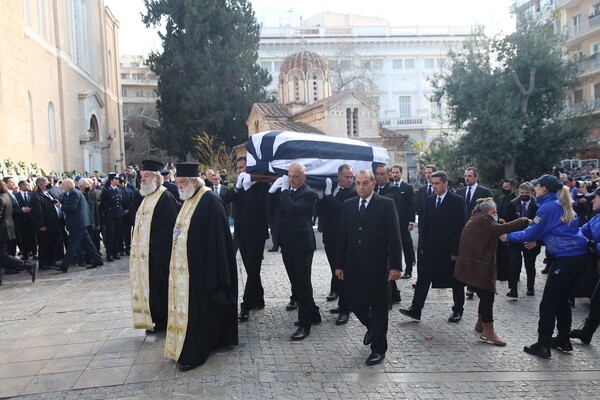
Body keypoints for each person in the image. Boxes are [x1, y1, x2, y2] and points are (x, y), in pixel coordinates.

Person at [500, 174, 589, 358]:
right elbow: (557, 230)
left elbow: (531, 232)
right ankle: (563, 339)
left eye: (537, 186)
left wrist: (507, 236)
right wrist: (539, 238)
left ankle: (543, 344)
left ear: (544, 189)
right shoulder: (560, 203)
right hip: (578, 257)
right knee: (562, 299)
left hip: (565, 259)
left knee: (548, 302)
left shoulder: (548, 207)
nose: (535, 189)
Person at [165, 162, 237, 371]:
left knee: (200, 312)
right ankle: (183, 345)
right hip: (186, 271)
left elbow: (218, 243)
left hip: (203, 271)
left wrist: (212, 272)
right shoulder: (190, 198)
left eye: (182, 182)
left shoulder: (210, 201)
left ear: (194, 181)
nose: (178, 186)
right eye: (177, 182)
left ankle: (196, 351)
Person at [335, 169, 402, 365]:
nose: (361, 187)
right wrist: (339, 264)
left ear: (373, 184)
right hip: (353, 265)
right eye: (358, 183)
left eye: (365, 183)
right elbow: (343, 237)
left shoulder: (386, 204)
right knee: (356, 303)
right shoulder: (348, 205)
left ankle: (378, 349)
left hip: (378, 265)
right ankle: (373, 327)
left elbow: (394, 237)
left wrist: (395, 266)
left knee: (380, 306)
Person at [454, 198, 529, 346]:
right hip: (478, 265)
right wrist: (523, 221)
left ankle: (481, 323)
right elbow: (499, 230)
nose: (496, 214)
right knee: (487, 296)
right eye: (493, 211)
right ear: (486, 211)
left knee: (484, 295)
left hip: (472, 264)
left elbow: (493, 228)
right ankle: (488, 330)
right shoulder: (483, 220)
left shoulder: (476, 217)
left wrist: (498, 222)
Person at [400, 171, 467, 323]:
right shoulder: (430, 200)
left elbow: (460, 227)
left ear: (445, 183)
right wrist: (422, 244)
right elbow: (425, 224)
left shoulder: (457, 201)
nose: (434, 186)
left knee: (455, 280)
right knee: (423, 278)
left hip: (448, 248)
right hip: (430, 247)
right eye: (432, 184)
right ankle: (416, 309)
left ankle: (458, 310)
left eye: (437, 183)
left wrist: (456, 250)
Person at [129, 160, 179, 335]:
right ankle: (155, 319)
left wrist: (153, 249)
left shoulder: (165, 197)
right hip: (147, 256)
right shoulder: (147, 197)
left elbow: (168, 228)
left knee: (161, 289)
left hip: (159, 255)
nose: (142, 179)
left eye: (146, 176)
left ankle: (164, 321)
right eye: (142, 176)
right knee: (151, 289)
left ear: (158, 178)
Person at [276, 162, 319, 340]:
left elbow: (293, 209)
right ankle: (313, 314)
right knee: (296, 283)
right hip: (288, 245)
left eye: (295, 177)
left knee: (303, 284)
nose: (291, 180)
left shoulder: (309, 193)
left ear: (304, 177)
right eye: (290, 176)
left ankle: (305, 324)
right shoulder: (290, 192)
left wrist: (284, 191)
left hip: (302, 246)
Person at [223, 165, 269, 323]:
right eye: (238, 168)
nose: (240, 171)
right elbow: (225, 200)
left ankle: (246, 305)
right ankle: (259, 298)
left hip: (256, 234)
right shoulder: (241, 184)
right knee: (251, 269)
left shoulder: (264, 186)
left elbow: (258, 208)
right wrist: (237, 187)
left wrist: (248, 188)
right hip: (241, 232)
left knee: (253, 268)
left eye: (243, 168)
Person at [316, 164, 357, 325]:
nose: (350, 180)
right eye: (347, 177)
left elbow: (342, 210)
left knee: (343, 274)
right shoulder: (332, 189)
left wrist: (328, 197)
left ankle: (345, 309)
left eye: (351, 176)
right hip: (330, 238)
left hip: (345, 240)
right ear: (338, 176)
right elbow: (320, 212)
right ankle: (343, 304)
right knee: (336, 272)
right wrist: (321, 198)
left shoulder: (353, 192)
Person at [52, 179, 103, 273]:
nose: (62, 187)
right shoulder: (76, 192)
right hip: (81, 223)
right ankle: (97, 260)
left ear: (68, 185)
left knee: (72, 245)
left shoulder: (74, 193)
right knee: (88, 244)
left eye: (63, 185)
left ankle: (64, 266)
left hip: (77, 224)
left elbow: (73, 207)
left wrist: (60, 206)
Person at [456, 167, 492, 299]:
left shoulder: (484, 192)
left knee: (475, 258)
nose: (467, 178)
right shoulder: (460, 192)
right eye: (465, 176)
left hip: (478, 230)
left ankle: (472, 286)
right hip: (463, 230)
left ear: (476, 177)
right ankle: (466, 282)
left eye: (469, 176)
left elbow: (489, 212)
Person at [570, 187, 600, 344]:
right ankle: (586, 332)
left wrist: (595, 246)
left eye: (595, 197)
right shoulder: (597, 218)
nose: (592, 200)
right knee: (596, 300)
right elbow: (582, 231)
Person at [505, 182, 541, 298]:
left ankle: (530, 288)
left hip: (530, 239)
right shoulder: (512, 204)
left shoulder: (538, 205)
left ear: (532, 193)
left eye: (527, 193)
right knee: (514, 263)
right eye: (522, 193)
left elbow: (540, 224)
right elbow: (508, 221)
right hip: (515, 238)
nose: (524, 195)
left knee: (530, 264)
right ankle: (513, 289)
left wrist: (537, 240)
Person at [374, 165, 404, 304]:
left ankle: (390, 295)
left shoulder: (393, 189)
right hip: (376, 231)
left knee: (387, 265)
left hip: (387, 231)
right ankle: (394, 293)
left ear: (388, 175)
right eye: (377, 174)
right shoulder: (374, 188)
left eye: (381, 174)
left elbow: (381, 201)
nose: (379, 176)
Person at [0, 179, 37, 282]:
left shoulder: (2, 198)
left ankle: (28, 266)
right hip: (7, 228)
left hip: (2, 230)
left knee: (3, 255)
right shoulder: (6, 196)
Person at [29, 176, 64, 270]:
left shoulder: (47, 194)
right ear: (40, 185)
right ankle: (44, 263)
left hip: (52, 224)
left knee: (52, 244)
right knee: (44, 245)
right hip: (44, 225)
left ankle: (51, 261)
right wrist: (41, 225)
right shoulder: (36, 197)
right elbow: (37, 212)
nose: (49, 183)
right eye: (46, 182)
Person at [389, 165, 416, 276]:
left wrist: (411, 222)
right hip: (391, 223)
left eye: (397, 172)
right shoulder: (389, 187)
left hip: (404, 223)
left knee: (407, 246)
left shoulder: (407, 188)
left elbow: (411, 206)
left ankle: (408, 270)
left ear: (401, 173)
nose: (395, 174)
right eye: (393, 172)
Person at [100, 173, 124, 262]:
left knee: (118, 234)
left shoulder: (118, 190)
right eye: (116, 179)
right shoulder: (106, 190)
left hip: (118, 214)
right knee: (111, 234)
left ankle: (115, 252)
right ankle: (109, 254)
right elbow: (103, 204)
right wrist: (106, 213)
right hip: (110, 215)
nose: (118, 180)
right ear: (111, 180)